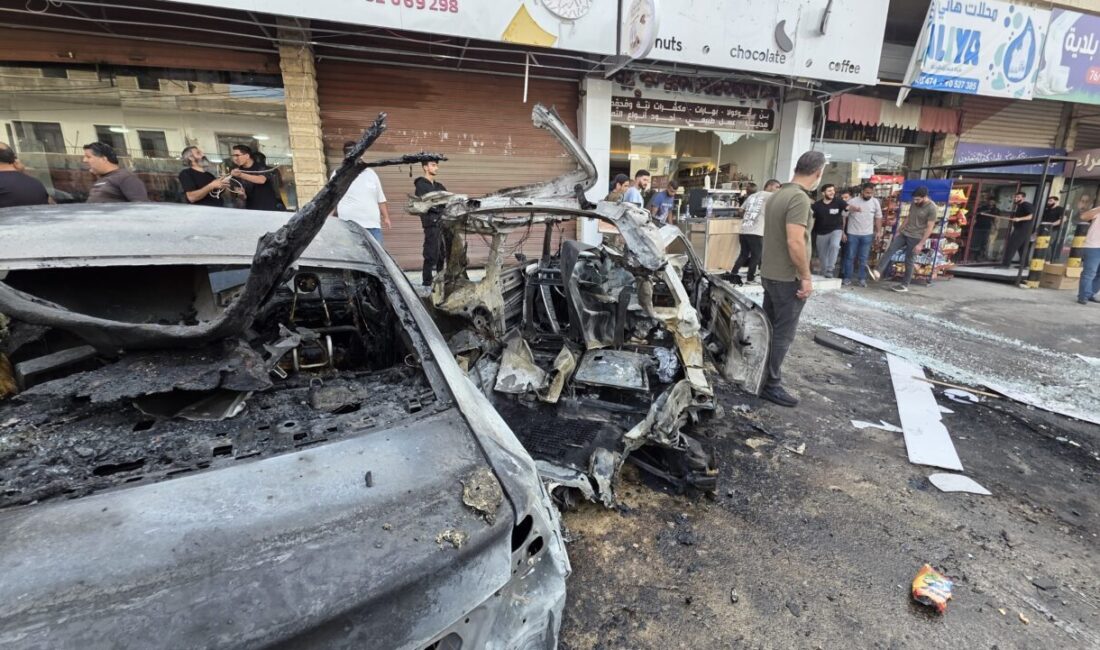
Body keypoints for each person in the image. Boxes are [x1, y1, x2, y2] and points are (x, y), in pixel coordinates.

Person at [759, 151, 824, 408]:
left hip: (770, 273)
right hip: (787, 277)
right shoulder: (798, 198)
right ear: (818, 173)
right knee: (782, 334)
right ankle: (771, 385)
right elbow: (795, 240)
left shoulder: (777, 195)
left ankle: (761, 377)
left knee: (769, 330)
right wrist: (806, 277)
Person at [869, 186, 939, 292]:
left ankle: (904, 285)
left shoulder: (932, 208)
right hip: (905, 233)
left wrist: (921, 244)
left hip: (916, 237)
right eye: (914, 199)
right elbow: (909, 217)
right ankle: (877, 271)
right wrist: (899, 230)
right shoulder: (914, 204)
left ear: (925, 197)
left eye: (917, 199)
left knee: (909, 261)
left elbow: (930, 228)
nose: (915, 201)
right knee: (891, 249)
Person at [334, 140, 390, 243]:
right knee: (352, 257)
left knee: (376, 258)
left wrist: (386, 217)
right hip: (349, 226)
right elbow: (331, 198)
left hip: (372, 226)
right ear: (345, 156)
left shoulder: (371, 173)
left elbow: (380, 198)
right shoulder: (338, 174)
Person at [731, 179, 780, 285]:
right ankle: (750, 278)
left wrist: (748, 217)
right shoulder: (770, 196)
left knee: (744, 254)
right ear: (770, 186)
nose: (778, 189)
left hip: (744, 229)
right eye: (777, 187)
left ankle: (733, 273)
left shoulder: (752, 196)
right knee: (756, 255)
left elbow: (740, 210)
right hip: (757, 231)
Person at [414, 159, 448, 286]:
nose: (436, 168)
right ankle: (427, 282)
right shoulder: (421, 185)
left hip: (442, 223)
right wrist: (438, 204)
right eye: (433, 165)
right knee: (431, 253)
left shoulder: (439, 186)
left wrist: (439, 203)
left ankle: (440, 279)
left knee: (442, 254)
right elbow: (427, 203)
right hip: (431, 224)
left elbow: (447, 199)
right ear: (425, 167)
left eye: (436, 165)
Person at [841, 183, 882, 287]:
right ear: (862, 191)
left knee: (863, 258)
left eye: (872, 193)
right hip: (852, 234)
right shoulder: (852, 202)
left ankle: (862, 279)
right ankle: (847, 278)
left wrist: (878, 231)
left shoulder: (875, 202)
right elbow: (844, 217)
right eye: (867, 192)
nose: (869, 195)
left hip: (867, 234)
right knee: (850, 257)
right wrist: (843, 232)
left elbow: (878, 217)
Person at [82, 142, 148, 203]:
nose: (84, 160)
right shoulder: (102, 179)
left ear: (104, 159)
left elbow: (141, 206)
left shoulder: (126, 178)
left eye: (88, 157)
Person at [811, 184, 847, 278]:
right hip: (821, 232)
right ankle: (825, 271)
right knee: (822, 255)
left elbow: (847, 208)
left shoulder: (839, 202)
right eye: (829, 191)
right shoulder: (816, 205)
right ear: (823, 193)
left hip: (836, 229)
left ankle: (830, 269)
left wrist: (855, 208)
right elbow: (812, 219)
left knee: (835, 246)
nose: (832, 192)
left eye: (833, 190)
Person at [230, 144, 281, 211]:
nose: (235, 159)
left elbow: (261, 180)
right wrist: (242, 195)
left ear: (247, 156)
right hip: (251, 209)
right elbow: (241, 196)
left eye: (237, 155)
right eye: (233, 156)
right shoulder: (236, 172)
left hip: (269, 208)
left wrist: (240, 175)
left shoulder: (261, 167)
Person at [1000, 191, 1035, 268]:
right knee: (1022, 248)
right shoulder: (1019, 206)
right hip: (1023, 229)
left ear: (1023, 198)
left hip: (1022, 229)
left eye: (1018, 197)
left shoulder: (1026, 205)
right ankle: (1024, 265)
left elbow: (1031, 216)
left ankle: (1005, 265)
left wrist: (1019, 219)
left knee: (1011, 245)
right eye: (1015, 197)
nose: (1016, 198)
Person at [1077, 204, 1100, 305]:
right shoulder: (1098, 210)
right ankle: (1083, 296)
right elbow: (1083, 217)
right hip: (1094, 245)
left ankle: (1090, 293)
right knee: (1090, 272)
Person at [970, 195, 999, 261]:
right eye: (990, 201)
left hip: (987, 228)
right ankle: (974, 257)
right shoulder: (982, 208)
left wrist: (996, 228)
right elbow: (974, 215)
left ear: (995, 202)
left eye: (993, 201)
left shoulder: (996, 210)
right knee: (976, 242)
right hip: (978, 227)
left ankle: (981, 256)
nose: (991, 203)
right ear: (987, 201)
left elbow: (996, 220)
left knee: (984, 243)